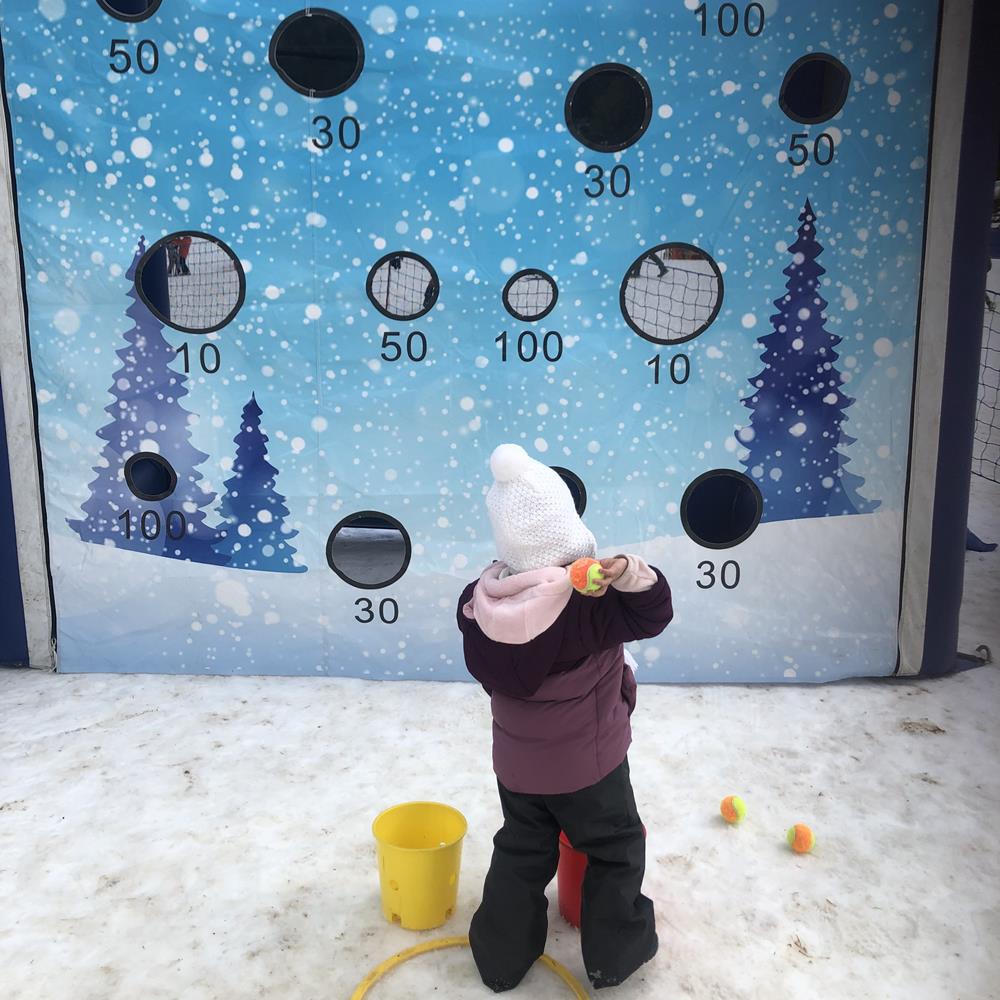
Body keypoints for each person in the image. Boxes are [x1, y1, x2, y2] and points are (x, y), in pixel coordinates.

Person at [456, 443, 673, 992]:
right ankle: (614, 957)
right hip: (590, 768)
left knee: (522, 850)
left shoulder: (479, 601)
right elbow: (655, 612)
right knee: (615, 847)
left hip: (518, 767)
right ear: (570, 536)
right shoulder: (590, 606)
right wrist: (626, 573)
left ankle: (500, 959)